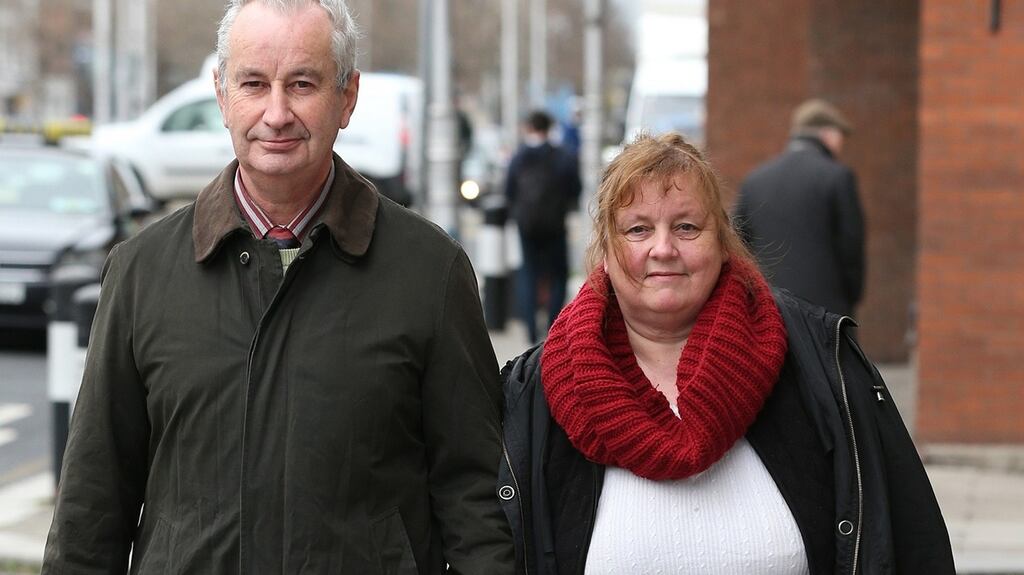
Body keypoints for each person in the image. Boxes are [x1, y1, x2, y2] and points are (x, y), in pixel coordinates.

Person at [42, 1, 515, 573]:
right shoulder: (141, 272)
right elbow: (92, 506)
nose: (276, 112)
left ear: (347, 97)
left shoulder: (430, 271)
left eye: (302, 84)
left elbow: (474, 500)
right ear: (221, 95)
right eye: (253, 84)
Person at [497, 132, 954, 574]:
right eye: (638, 229)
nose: (663, 248)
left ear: (722, 239)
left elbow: (912, 542)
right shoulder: (538, 392)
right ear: (605, 249)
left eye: (686, 227)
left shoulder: (820, 360)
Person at [734, 98, 865, 317]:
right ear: (828, 135)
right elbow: (850, 247)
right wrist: (851, 296)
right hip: (825, 313)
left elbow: (739, 241)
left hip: (768, 308)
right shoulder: (837, 177)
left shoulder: (755, 180)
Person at [505, 110, 582, 344]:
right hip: (555, 224)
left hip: (527, 225)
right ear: (549, 129)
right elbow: (575, 189)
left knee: (528, 273)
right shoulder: (563, 156)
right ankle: (552, 327)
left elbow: (509, 190)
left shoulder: (519, 157)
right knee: (558, 275)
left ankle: (530, 330)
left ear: (529, 127)